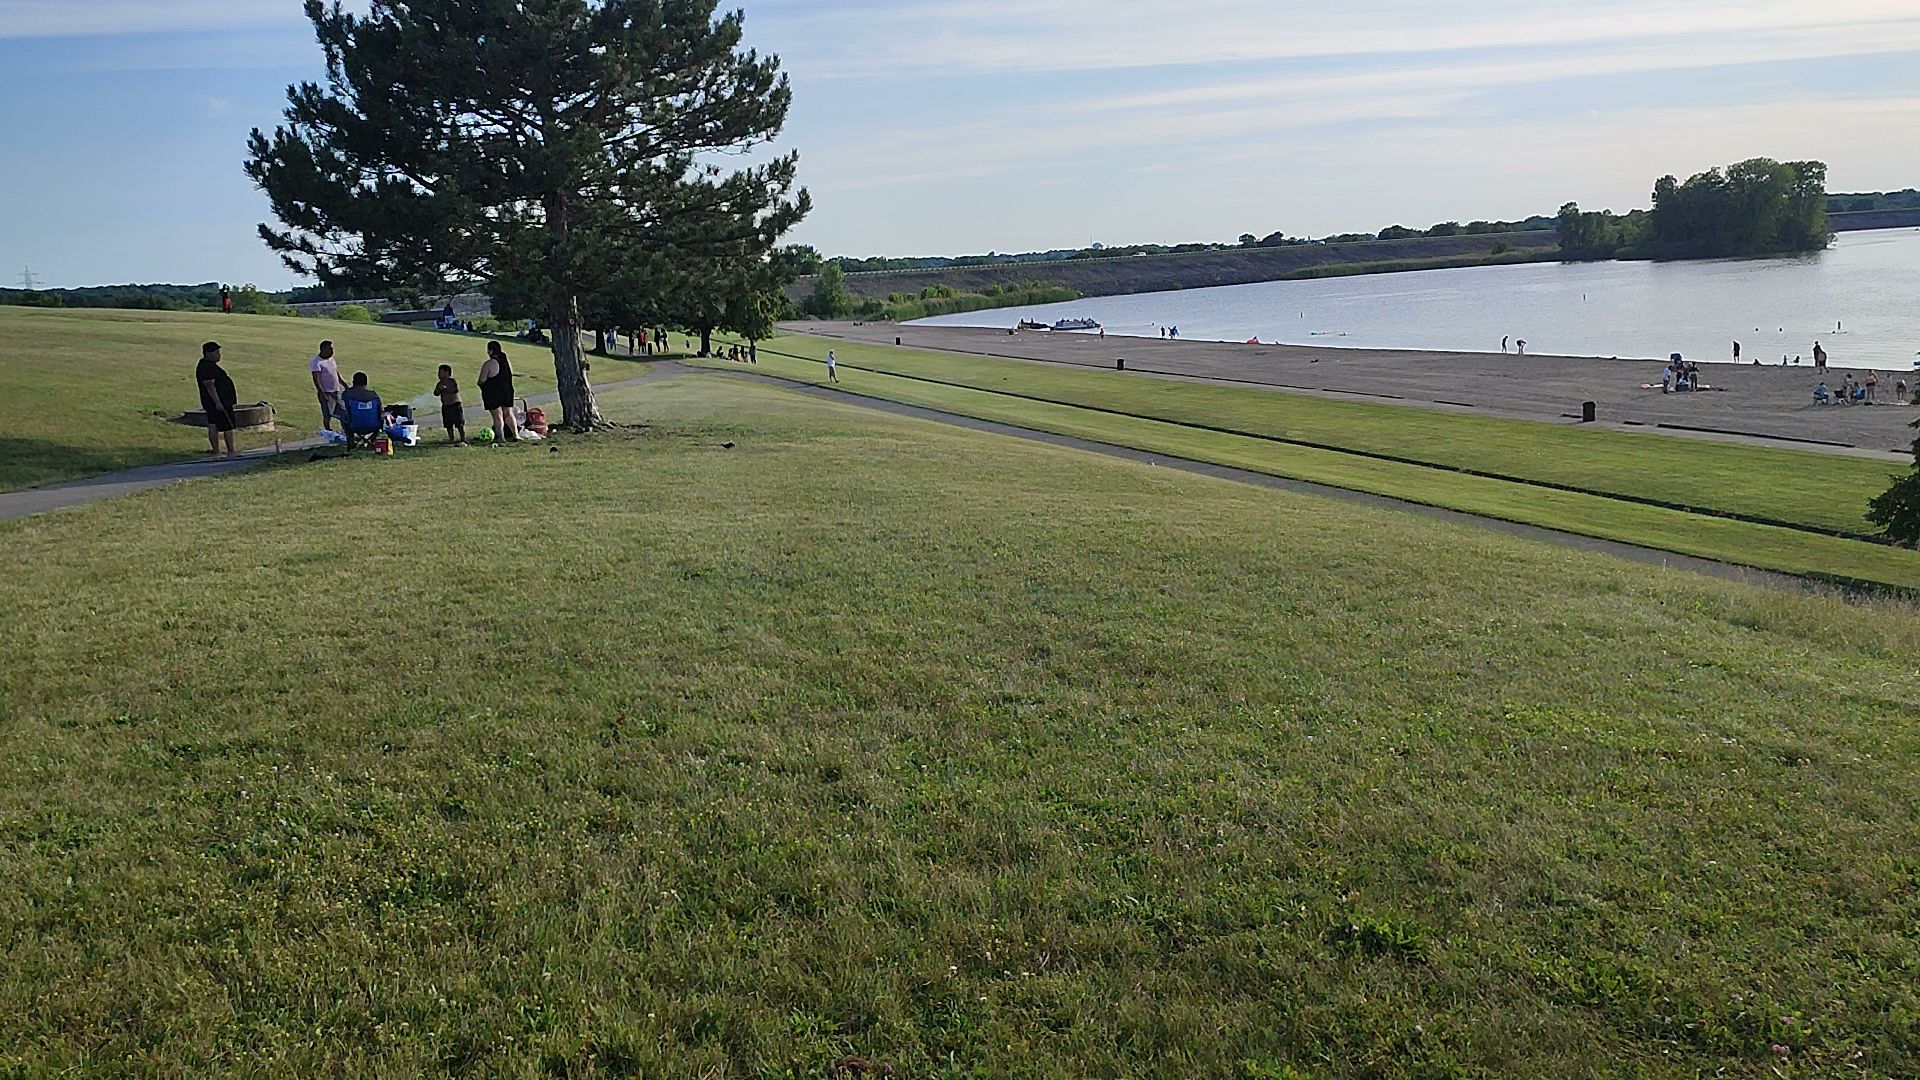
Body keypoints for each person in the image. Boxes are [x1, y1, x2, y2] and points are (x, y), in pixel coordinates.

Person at [196, 341, 238, 457]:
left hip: (213, 402)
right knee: (227, 426)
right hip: (218, 402)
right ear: (208, 353)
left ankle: (217, 452)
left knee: (213, 424)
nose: (219, 355)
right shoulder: (206, 367)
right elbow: (210, 385)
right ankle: (230, 451)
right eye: (216, 352)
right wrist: (218, 402)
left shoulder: (207, 366)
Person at [478, 341, 520, 443]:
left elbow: (481, 380)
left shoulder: (489, 363)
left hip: (493, 392)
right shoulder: (505, 361)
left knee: (497, 415)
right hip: (507, 390)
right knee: (509, 413)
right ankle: (516, 435)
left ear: (491, 351)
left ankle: (501, 437)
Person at [310, 340, 345, 432]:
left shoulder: (331, 359)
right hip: (326, 392)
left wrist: (344, 384)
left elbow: (336, 373)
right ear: (323, 349)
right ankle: (328, 431)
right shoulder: (316, 362)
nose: (332, 351)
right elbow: (316, 379)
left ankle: (345, 430)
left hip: (337, 390)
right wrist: (321, 393)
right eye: (330, 349)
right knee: (328, 413)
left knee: (343, 411)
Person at [342, 371, 383, 444]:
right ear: (366, 383)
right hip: (374, 425)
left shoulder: (347, 395)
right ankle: (372, 440)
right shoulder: (374, 396)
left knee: (344, 417)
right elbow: (380, 411)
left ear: (353, 382)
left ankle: (351, 441)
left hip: (353, 426)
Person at [434, 364, 466, 443]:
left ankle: (463, 438)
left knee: (459, 423)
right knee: (448, 424)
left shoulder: (452, 381)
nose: (438, 374)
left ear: (446, 372)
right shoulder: (439, 383)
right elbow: (436, 393)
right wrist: (439, 389)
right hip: (446, 406)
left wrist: (446, 388)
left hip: (455, 405)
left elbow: (455, 390)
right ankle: (451, 438)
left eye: (440, 372)